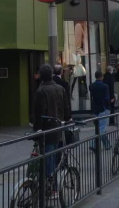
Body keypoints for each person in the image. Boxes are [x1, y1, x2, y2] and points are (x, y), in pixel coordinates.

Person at [33, 64, 71, 192]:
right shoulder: (60, 88)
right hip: (59, 128)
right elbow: (66, 109)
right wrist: (67, 120)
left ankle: (51, 186)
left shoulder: (41, 91)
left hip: (47, 131)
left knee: (48, 158)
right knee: (55, 157)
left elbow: (39, 114)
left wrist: (36, 130)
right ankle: (52, 184)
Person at [89, 71, 111, 150]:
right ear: (101, 76)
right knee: (102, 127)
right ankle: (93, 143)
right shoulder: (105, 86)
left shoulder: (92, 86)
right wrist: (108, 106)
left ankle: (107, 145)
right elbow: (106, 98)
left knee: (100, 126)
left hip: (95, 108)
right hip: (103, 108)